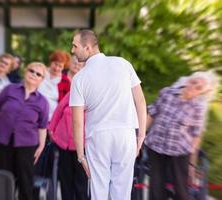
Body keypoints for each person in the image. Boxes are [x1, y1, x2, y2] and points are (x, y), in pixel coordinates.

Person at [69, 30, 147, 200]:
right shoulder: (123, 64)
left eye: (75, 46)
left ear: (87, 47)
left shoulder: (79, 79)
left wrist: (81, 156)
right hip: (126, 133)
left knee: (99, 191)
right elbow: (140, 101)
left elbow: (77, 122)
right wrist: (140, 136)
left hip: (98, 136)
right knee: (123, 191)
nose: (72, 50)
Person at [145, 71, 219, 200]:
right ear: (187, 80)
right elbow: (152, 112)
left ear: (202, 93)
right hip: (155, 145)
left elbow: (196, 135)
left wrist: (192, 164)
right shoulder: (167, 92)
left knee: (181, 190)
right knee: (156, 187)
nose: (193, 87)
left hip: (179, 152)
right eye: (193, 82)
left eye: (199, 88)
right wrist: (140, 136)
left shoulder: (198, 106)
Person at [0, 62, 49, 200]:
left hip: (27, 144)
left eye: (38, 74)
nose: (34, 74)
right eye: (31, 71)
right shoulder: (10, 89)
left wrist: (41, 145)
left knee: (25, 179)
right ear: (25, 72)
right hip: (3, 140)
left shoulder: (42, 101)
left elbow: (43, 126)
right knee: (4, 177)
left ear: (41, 80)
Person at [48, 57, 88, 200]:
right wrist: (51, 129)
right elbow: (59, 110)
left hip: (83, 145)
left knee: (81, 182)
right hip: (63, 142)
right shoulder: (73, 93)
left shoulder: (95, 98)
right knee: (65, 180)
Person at [38, 50, 71, 121]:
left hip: (51, 118)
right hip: (34, 112)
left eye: (60, 66)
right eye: (55, 64)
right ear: (51, 62)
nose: (56, 68)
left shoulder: (65, 82)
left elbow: (65, 103)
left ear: (64, 67)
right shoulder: (41, 72)